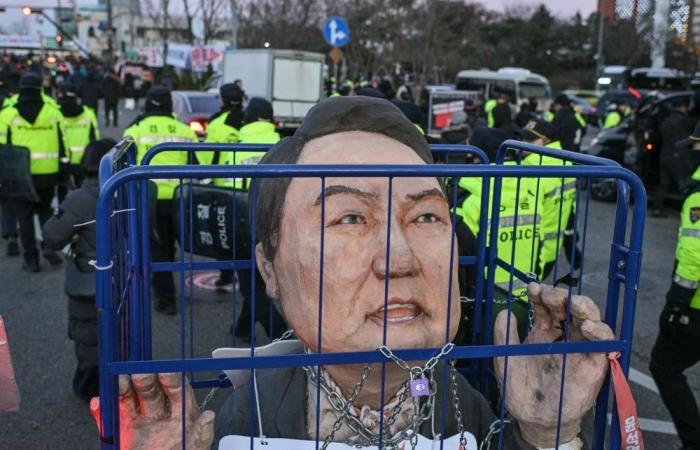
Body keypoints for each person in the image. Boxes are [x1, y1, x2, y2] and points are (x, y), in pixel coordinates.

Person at [92, 97, 615, 449]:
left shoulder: (470, 409)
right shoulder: (244, 419)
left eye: (427, 216)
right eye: (349, 218)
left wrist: (551, 431)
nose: (400, 259)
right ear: (269, 270)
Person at [42, 138, 116, 401]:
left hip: (91, 280)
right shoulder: (135, 189)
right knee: (125, 328)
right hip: (129, 276)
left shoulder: (81, 199)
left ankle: (91, 386)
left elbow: (51, 236)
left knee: (89, 330)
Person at [123, 85, 198, 315]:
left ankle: (166, 298)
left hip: (149, 197)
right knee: (171, 245)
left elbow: (125, 165)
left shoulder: (134, 130)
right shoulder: (185, 131)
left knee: (157, 249)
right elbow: (197, 165)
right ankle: (163, 284)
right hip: (180, 197)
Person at [649, 159, 700, 450]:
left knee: (664, 366)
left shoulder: (697, 196)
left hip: (695, 308)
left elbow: (694, 255)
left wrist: (676, 305)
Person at [229, 96, 284, 341]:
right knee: (258, 280)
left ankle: (282, 335)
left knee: (253, 284)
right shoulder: (284, 146)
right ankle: (242, 327)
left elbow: (220, 185)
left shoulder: (234, 143)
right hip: (278, 222)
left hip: (241, 221)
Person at [0, 72, 66, 272]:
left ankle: (31, 259)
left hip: (20, 176)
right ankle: (49, 248)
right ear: (40, 89)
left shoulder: (7, 114)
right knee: (46, 212)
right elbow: (64, 145)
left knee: (24, 217)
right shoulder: (54, 112)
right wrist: (64, 170)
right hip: (48, 173)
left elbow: (2, 150)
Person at [520, 120, 581, 282]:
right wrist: (570, 239)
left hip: (530, 250)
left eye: (531, 140)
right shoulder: (566, 162)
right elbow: (571, 205)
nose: (525, 144)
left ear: (547, 141)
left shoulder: (530, 166)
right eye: (524, 139)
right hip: (552, 248)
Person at [651, 100, 693, 218]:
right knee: (684, 185)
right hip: (677, 158)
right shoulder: (683, 120)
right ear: (683, 108)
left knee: (663, 184)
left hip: (664, 156)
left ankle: (656, 209)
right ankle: (687, 212)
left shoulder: (666, 120)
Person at [57, 83, 100, 192]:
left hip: (61, 161)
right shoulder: (88, 114)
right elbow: (95, 139)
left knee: (63, 194)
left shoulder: (55, 114)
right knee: (82, 193)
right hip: (83, 161)